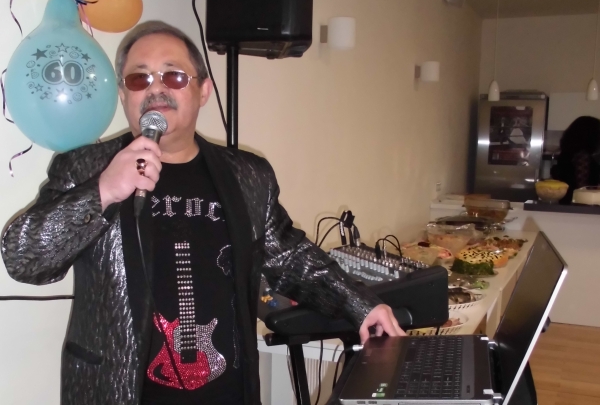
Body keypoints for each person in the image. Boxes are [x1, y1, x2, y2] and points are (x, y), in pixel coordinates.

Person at [1, 21, 403, 405]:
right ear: (123, 95)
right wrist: (103, 191)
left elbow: (290, 256)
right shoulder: (85, 168)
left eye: (173, 76)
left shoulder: (248, 176)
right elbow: (24, 259)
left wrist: (360, 304)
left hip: (226, 392)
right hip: (117, 393)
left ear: (204, 90)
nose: (156, 89)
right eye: (140, 79)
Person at [550, 116, 600, 203]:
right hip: (580, 204)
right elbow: (582, 188)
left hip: (567, 204)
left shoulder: (568, 155)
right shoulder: (582, 157)